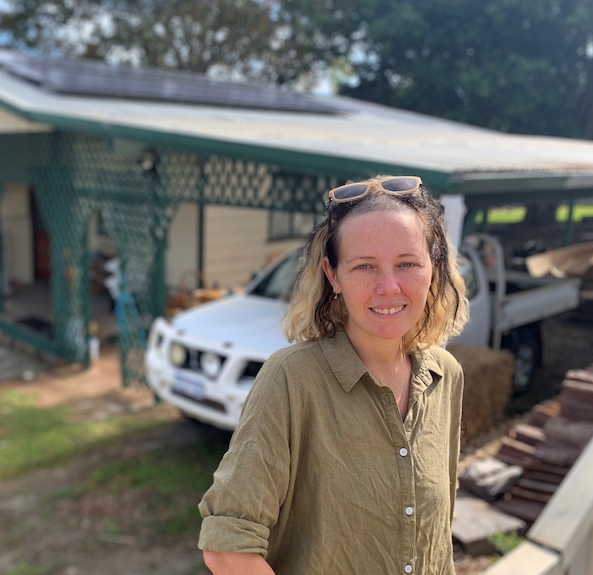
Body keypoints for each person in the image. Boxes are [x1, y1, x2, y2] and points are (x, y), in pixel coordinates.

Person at [198, 175, 469, 575]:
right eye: (365, 267)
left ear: (434, 267)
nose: (389, 287)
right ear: (333, 275)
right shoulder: (292, 379)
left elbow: (436, 536)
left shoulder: (446, 376)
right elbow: (227, 549)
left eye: (407, 263)